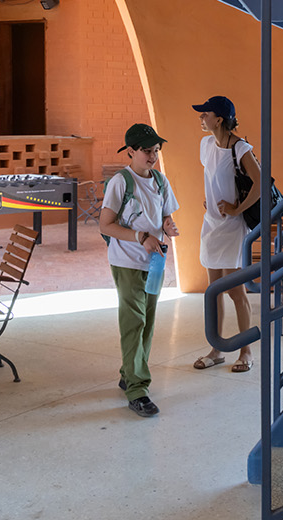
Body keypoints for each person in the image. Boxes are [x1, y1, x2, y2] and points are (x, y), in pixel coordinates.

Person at [101, 123, 181, 417]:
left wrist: (167, 226)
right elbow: (105, 225)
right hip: (127, 263)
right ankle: (137, 389)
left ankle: (129, 372)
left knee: (146, 321)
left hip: (155, 261)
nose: (153, 155)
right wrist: (141, 237)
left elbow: (164, 215)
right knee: (133, 321)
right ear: (131, 151)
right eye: (147, 150)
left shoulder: (160, 180)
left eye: (157, 150)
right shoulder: (120, 182)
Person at [191, 95, 259, 374]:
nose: (201, 119)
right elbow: (212, 179)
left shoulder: (240, 148)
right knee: (213, 292)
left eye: (204, 114)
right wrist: (211, 201)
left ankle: (246, 351)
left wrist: (237, 209)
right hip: (211, 226)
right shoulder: (206, 144)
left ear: (219, 119)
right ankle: (216, 349)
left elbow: (260, 181)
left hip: (232, 228)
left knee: (235, 291)